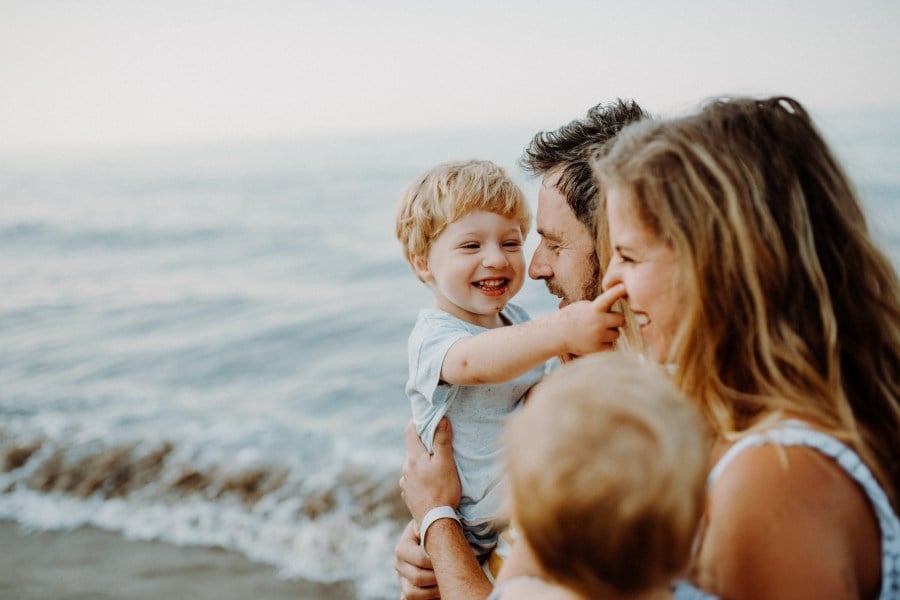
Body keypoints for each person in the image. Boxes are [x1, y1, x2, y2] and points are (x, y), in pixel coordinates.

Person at [594, 96, 900, 598]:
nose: (611, 280)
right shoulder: (769, 432)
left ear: (718, 265)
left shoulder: (776, 475)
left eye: (628, 254)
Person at [395, 101, 649, 599]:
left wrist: (434, 519)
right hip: (475, 521)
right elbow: (473, 363)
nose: (528, 266)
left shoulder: (627, 421)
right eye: (471, 246)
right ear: (422, 263)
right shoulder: (440, 338)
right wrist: (437, 536)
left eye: (528, 242)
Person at [490, 352, 708, 600]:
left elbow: (514, 581)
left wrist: (533, 515)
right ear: (699, 514)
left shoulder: (517, 594)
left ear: (518, 516)